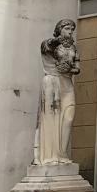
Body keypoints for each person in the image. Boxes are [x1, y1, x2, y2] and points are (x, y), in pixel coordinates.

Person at [32, 18, 80, 166]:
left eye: (72, 29)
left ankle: (62, 154)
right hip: (52, 82)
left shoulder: (73, 48)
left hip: (67, 83)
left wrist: (70, 68)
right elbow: (46, 47)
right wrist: (58, 40)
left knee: (68, 118)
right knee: (51, 118)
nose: (70, 32)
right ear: (60, 29)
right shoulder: (49, 44)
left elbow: (77, 68)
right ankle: (50, 156)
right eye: (67, 28)